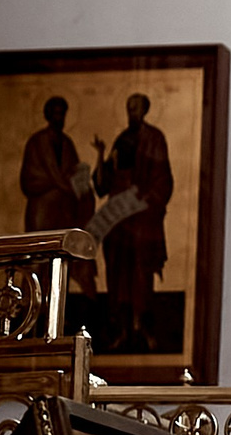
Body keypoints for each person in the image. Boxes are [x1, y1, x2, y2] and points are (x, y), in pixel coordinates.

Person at [89, 92, 174, 346]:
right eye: (129, 108)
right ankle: (121, 327)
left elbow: (163, 178)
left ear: (145, 110)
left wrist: (144, 199)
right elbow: (103, 183)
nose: (131, 113)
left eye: (135, 108)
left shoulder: (154, 138)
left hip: (142, 218)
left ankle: (141, 324)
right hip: (118, 218)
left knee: (140, 269)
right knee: (117, 268)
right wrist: (101, 155)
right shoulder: (122, 139)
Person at [18, 96, 95, 290]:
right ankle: (30, 303)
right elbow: (29, 178)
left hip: (63, 213)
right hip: (42, 212)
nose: (59, 118)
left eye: (62, 114)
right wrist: (57, 183)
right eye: (56, 114)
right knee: (37, 261)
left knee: (60, 263)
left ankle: (57, 305)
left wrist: (79, 185)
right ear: (48, 115)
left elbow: (73, 174)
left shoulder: (67, 143)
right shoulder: (37, 142)